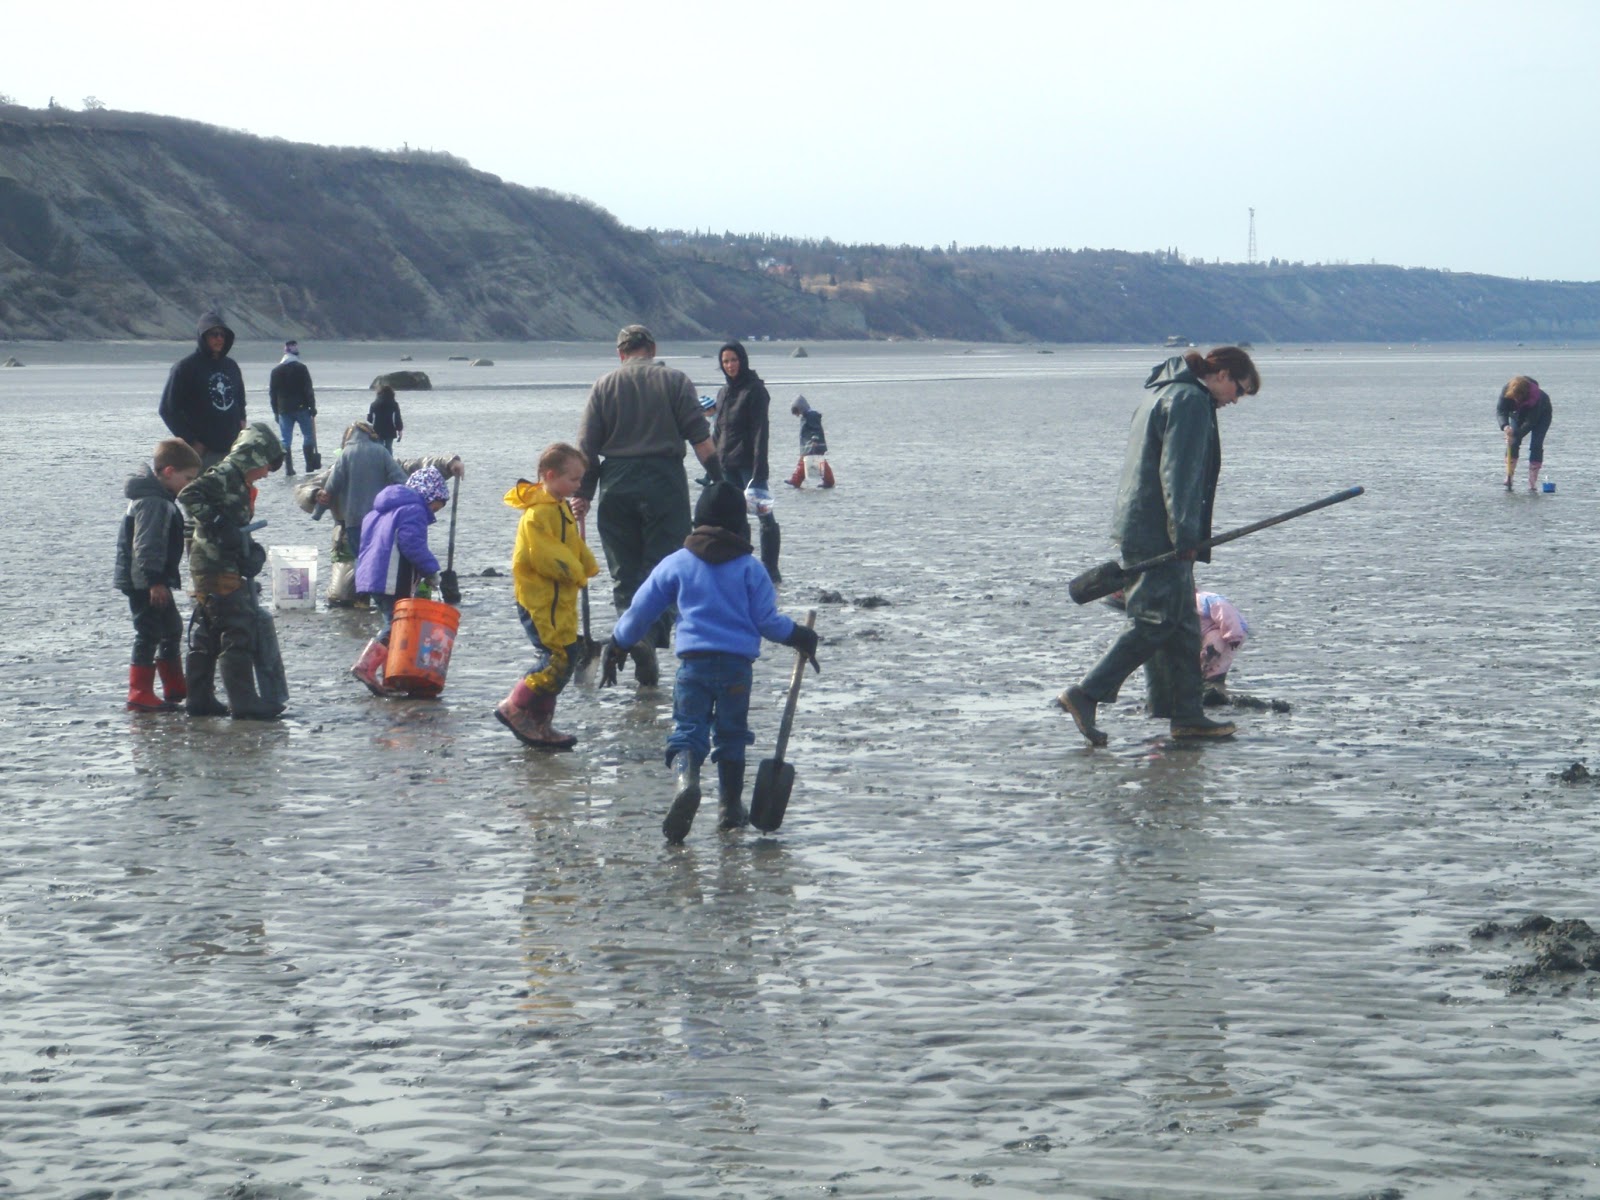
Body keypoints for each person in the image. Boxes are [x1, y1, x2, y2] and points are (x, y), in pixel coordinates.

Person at [1058, 347, 1260, 746]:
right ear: (1220, 374)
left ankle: (1187, 714)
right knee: (1154, 620)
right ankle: (1086, 693)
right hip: (1159, 531)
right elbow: (1178, 474)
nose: (1236, 399)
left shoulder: (1161, 392)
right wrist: (1185, 535)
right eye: (1239, 388)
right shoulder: (1190, 402)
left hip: (1143, 523)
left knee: (1183, 622)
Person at [600, 481, 819, 843]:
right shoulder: (751, 569)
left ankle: (687, 782)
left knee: (689, 728)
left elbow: (641, 610)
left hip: (694, 667)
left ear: (696, 521)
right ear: (741, 526)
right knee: (732, 736)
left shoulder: (678, 563)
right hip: (737, 669)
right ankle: (729, 808)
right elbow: (767, 622)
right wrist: (800, 636)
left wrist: (618, 643)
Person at [572, 324, 723, 686]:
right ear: (652, 348)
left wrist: (584, 494)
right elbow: (701, 440)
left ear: (620, 353)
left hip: (615, 484)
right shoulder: (675, 381)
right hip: (664, 482)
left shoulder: (604, 385)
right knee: (666, 568)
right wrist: (721, 482)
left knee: (625, 573)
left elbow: (586, 450)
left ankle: (633, 636)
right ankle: (648, 638)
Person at [493, 443, 601, 749]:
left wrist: (588, 564)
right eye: (574, 479)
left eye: (581, 479)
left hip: (561, 601)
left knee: (568, 657)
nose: (579, 486)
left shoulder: (560, 507)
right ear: (551, 475)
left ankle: (541, 724)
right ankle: (515, 705)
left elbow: (572, 545)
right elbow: (546, 555)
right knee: (555, 658)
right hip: (541, 602)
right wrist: (576, 573)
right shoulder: (537, 514)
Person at [178, 422, 288, 719]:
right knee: (237, 628)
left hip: (216, 563)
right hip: (213, 565)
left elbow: (236, 527)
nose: (265, 473)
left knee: (208, 631)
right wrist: (217, 524)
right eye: (264, 466)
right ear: (251, 458)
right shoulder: (225, 474)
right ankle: (243, 702)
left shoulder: (240, 482)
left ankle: (199, 700)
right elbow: (188, 495)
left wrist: (251, 552)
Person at [311, 423, 464, 603]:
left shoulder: (345, 456)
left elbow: (330, 486)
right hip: (377, 523)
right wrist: (412, 497)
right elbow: (399, 475)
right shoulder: (380, 452)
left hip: (352, 522)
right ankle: (388, 595)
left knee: (364, 559)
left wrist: (318, 510)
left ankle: (365, 597)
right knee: (384, 560)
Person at [115, 438, 202, 710]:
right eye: (187, 478)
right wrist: (155, 582)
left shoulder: (160, 499)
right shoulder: (153, 502)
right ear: (168, 472)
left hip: (152, 579)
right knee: (148, 632)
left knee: (171, 628)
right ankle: (139, 692)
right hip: (144, 582)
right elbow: (147, 546)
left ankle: (174, 686)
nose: (189, 484)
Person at [349, 467, 449, 695]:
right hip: (391, 577)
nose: (435, 511)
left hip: (371, 575)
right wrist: (431, 570)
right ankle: (366, 666)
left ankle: (390, 676)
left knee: (393, 621)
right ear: (430, 495)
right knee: (396, 626)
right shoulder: (414, 510)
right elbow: (411, 544)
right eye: (437, 505)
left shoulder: (376, 512)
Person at [714, 340, 782, 582]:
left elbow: (760, 432)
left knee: (764, 516)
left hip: (748, 465)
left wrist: (759, 470)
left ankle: (771, 570)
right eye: (725, 361)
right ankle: (739, 567)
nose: (730, 365)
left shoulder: (754, 390)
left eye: (733, 360)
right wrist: (713, 465)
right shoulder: (723, 393)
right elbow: (718, 430)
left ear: (742, 360)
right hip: (726, 464)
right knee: (733, 518)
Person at [159, 311, 247, 469]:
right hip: (204, 453)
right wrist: (191, 441)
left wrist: (242, 424)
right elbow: (167, 410)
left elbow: (239, 400)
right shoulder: (185, 368)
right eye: (214, 334)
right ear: (203, 336)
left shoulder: (231, 366)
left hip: (233, 450)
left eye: (223, 334)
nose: (219, 338)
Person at [269, 339, 319, 476]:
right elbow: (309, 389)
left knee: (285, 440)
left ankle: (288, 469)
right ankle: (309, 466)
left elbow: (272, 393)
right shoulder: (301, 368)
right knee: (308, 435)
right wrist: (312, 407)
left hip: (284, 409)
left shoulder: (276, 371)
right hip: (302, 407)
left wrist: (275, 411)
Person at [1497, 375, 1553, 492]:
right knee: (1513, 443)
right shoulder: (1506, 391)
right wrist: (1506, 427)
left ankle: (1532, 481)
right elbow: (1501, 411)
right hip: (1518, 414)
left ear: (1524, 394)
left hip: (1542, 414)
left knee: (1536, 444)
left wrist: (1515, 435)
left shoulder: (1535, 397)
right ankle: (1509, 476)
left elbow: (1530, 422)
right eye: (1514, 398)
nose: (1516, 400)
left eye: (1518, 398)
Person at [785, 395, 836, 488]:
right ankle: (797, 480)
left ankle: (797, 481)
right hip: (808, 446)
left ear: (800, 408)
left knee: (814, 462)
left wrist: (814, 440)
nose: (797, 414)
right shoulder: (806, 416)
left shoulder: (811, 416)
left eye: (797, 412)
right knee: (810, 462)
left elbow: (815, 429)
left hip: (813, 445)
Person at [368, 384, 403, 452]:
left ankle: (380, 461)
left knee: (379, 447)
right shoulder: (394, 404)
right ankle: (389, 461)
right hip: (390, 428)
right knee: (389, 447)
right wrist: (399, 429)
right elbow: (397, 418)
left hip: (377, 429)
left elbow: (370, 419)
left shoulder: (374, 404)